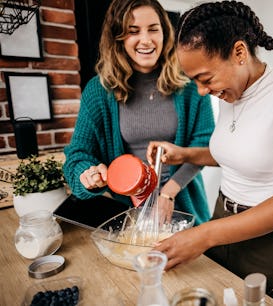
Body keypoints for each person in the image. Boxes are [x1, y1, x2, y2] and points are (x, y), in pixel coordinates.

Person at [146, 1, 273, 305]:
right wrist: (185, 154)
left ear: (239, 52)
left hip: (270, 243)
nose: (202, 91)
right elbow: (240, 155)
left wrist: (205, 235)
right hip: (222, 220)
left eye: (205, 78)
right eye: (196, 82)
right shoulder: (230, 92)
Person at [63, 0, 215, 225]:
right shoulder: (98, 91)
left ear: (165, 33)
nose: (146, 40)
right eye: (133, 32)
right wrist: (89, 174)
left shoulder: (190, 85)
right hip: (127, 214)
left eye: (153, 29)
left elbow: (204, 145)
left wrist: (168, 192)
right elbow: (77, 155)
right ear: (118, 38)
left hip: (182, 204)